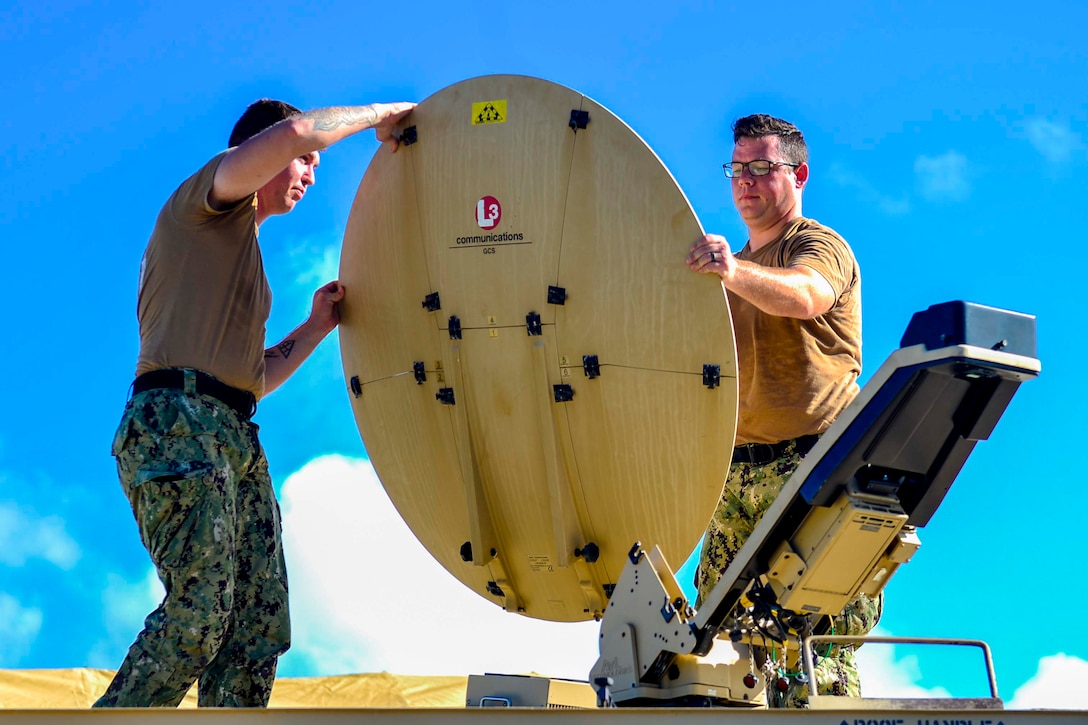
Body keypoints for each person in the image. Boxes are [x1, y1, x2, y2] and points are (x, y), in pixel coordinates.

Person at [95, 98, 415, 708]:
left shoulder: (242, 256)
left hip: (230, 431)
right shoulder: (207, 202)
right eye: (305, 162)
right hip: (177, 422)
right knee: (198, 618)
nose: (311, 173)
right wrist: (384, 115)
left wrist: (317, 327)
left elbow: (250, 376)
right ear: (265, 152)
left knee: (255, 631)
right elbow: (295, 131)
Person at [686, 114, 880, 708]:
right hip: (733, 478)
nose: (746, 181)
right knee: (725, 650)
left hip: (811, 473)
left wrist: (733, 271)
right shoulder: (725, 273)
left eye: (762, 169)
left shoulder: (818, 247)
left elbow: (805, 296)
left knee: (816, 654)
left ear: (797, 174)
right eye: (737, 170)